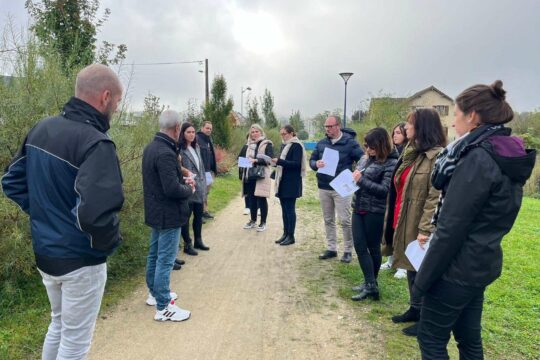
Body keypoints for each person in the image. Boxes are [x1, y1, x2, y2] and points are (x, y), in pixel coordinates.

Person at [2, 64, 124, 359]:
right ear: (105, 97)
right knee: (75, 342)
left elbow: (11, 181)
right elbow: (94, 214)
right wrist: (108, 245)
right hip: (81, 259)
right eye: (118, 103)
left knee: (58, 325)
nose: (116, 110)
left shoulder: (41, 128)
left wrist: (46, 216)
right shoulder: (97, 143)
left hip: (47, 253)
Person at [414, 81, 536, 359]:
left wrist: (423, 281)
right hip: (481, 262)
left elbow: (451, 228)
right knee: (469, 341)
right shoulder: (506, 153)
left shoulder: (477, 157)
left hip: (455, 270)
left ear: (472, 116)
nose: (454, 121)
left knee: (431, 340)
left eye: (455, 114)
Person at [384, 108, 446, 337]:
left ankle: (426, 319)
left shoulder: (437, 156)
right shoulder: (414, 153)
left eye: (410, 124)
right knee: (410, 265)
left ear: (422, 127)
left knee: (423, 270)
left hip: (420, 223)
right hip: (404, 215)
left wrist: (425, 228)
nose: (406, 127)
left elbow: (435, 195)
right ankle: (414, 308)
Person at [142, 110, 195, 322]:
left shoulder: (151, 147)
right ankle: (164, 306)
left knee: (155, 256)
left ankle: (155, 294)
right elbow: (171, 189)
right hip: (168, 214)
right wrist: (189, 189)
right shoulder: (165, 152)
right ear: (176, 128)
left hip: (156, 212)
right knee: (164, 259)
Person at [350, 128, 398, 301]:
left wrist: (361, 181)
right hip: (358, 207)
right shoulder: (365, 159)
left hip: (375, 211)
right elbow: (358, 177)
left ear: (381, 145)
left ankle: (371, 284)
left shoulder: (391, 162)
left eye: (371, 146)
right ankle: (370, 283)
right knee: (359, 246)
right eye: (366, 146)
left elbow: (384, 190)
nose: (368, 150)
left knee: (372, 248)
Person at [309, 115, 363, 262]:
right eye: (326, 127)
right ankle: (331, 248)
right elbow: (311, 161)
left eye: (330, 126)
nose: (327, 129)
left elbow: (363, 159)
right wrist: (316, 164)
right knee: (328, 219)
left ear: (338, 126)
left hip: (342, 188)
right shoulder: (321, 144)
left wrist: (356, 173)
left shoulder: (350, 143)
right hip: (324, 186)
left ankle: (347, 250)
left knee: (345, 220)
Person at [381, 122, 409, 277]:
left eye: (398, 132)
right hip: (392, 194)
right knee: (390, 227)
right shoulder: (392, 151)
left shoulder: (408, 152)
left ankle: (403, 265)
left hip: (403, 195)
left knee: (402, 229)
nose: (394, 135)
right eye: (394, 132)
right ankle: (391, 259)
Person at [272, 125, 307, 246]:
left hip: (291, 183)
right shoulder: (285, 145)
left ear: (292, 133)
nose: (282, 136)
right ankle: (285, 233)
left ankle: (291, 236)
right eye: (281, 134)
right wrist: (275, 163)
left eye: (284, 134)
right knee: (284, 209)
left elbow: (296, 164)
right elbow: (283, 163)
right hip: (283, 181)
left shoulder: (296, 145)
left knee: (290, 210)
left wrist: (280, 161)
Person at [179, 122, 210, 255]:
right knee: (186, 217)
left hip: (200, 187)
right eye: (188, 132)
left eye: (193, 132)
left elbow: (201, 167)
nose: (191, 135)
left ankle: (198, 240)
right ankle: (187, 244)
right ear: (183, 133)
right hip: (188, 188)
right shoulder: (180, 149)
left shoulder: (196, 147)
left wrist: (204, 184)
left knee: (198, 216)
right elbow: (179, 169)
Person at [241, 124, 274, 232]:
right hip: (250, 174)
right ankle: (253, 220)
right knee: (251, 199)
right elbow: (244, 160)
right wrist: (243, 162)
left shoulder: (267, 144)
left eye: (256, 131)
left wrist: (256, 160)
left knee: (261, 198)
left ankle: (263, 222)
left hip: (261, 175)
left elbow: (269, 160)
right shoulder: (248, 145)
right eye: (252, 132)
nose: (254, 134)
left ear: (261, 132)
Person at [197, 121, 217, 220]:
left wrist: (214, 170)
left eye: (210, 129)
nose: (209, 130)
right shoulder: (197, 139)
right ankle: (199, 214)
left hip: (209, 171)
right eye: (207, 128)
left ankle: (205, 211)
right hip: (201, 171)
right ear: (202, 128)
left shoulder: (208, 140)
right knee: (200, 192)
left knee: (206, 192)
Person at [238, 132, 251, 215]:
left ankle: (258, 208)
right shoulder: (245, 147)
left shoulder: (259, 147)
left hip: (257, 173)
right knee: (247, 189)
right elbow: (241, 161)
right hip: (246, 173)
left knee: (257, 191)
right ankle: (247, 207)